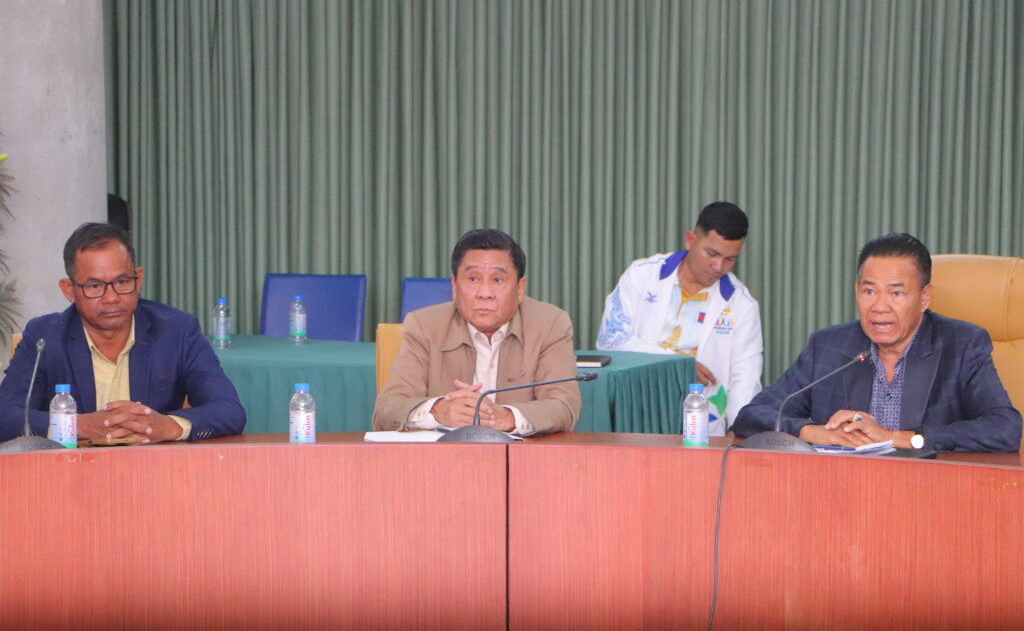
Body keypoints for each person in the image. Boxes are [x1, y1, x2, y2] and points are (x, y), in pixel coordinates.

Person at [734, 233, 1021, 452]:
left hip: (930, 494)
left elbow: (1004, 429)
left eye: (896, 294)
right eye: (869, 291)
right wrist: (812, 432)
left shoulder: (961, 345)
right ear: (856, 291)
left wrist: (897, 438)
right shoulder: (829, 346)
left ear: (924, 298)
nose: (879, 307)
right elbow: (752, 415)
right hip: (841, 492)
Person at [0, 222, 246, 443]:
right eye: (94, 286)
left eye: (122, 282)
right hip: (70, 471)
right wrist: (78, 425)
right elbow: (5, 415)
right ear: (69, 290)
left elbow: (229, 410)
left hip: (152, 470)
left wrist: (167, 426)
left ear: (138, 279)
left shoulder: (176, 330)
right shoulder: (45, 337)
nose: (111, 298)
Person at [373, 228, 581, 436]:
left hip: (519, 455)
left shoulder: (550, 324)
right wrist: (438, 412)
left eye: (497, 280)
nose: (485, 293)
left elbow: (564, 406)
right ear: (455, 286)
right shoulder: (424, 326)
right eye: (473, 279)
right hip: (445, 455)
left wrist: (505, 417)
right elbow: (386, 410)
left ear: (520, 289)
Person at [596, 201, 762, 435]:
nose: (718, 266)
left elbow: (745, 377)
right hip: (636, 416)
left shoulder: (742, 304)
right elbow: (610, 340)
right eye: (712, 253)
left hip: (704, 428)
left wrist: (738, 430)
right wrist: (679, 366)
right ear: (690, 239)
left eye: (730, 259)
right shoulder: (642, 275)